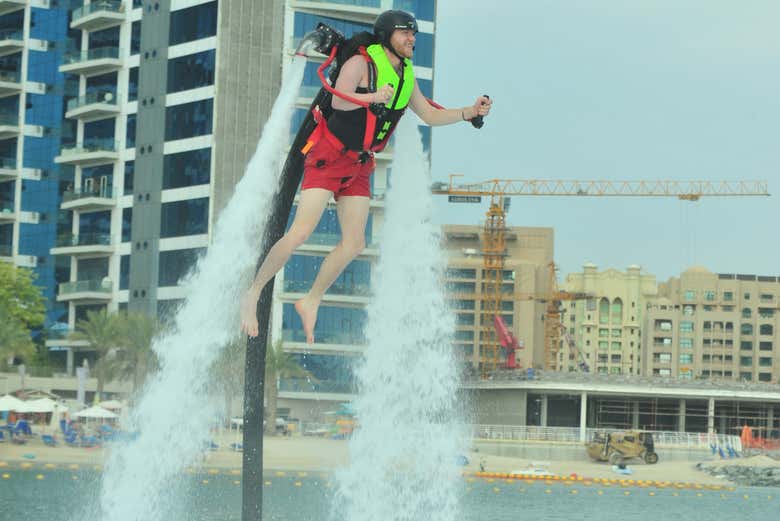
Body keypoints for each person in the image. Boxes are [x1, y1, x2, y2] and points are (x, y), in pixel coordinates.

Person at [240, 10, 492, 342]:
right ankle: (253, 292)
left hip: (359, 164)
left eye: (414, 34)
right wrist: (371, 98)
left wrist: (467, 113)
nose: (412, 39)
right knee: (300, 232)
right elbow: (339, 101)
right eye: (405, 33)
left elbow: (429, 114)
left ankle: (311, 299)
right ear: (387, 34)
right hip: (328, 155)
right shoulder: (360, 64)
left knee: (355, 243)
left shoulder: (406, 76)